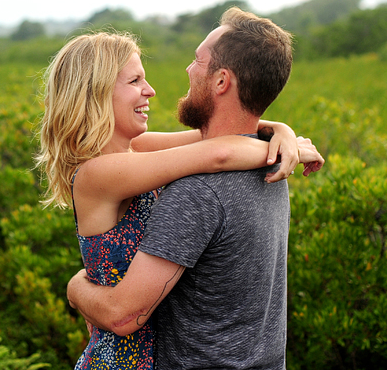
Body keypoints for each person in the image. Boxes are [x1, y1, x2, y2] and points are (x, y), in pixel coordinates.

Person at [36, 29, 320, 370]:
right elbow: (218, 153)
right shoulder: (97, 174)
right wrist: (74, 289)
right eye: (134, 80)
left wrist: (282, 133)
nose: (150, 90)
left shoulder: (136, 150)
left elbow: (213, 139)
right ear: (95, 93)